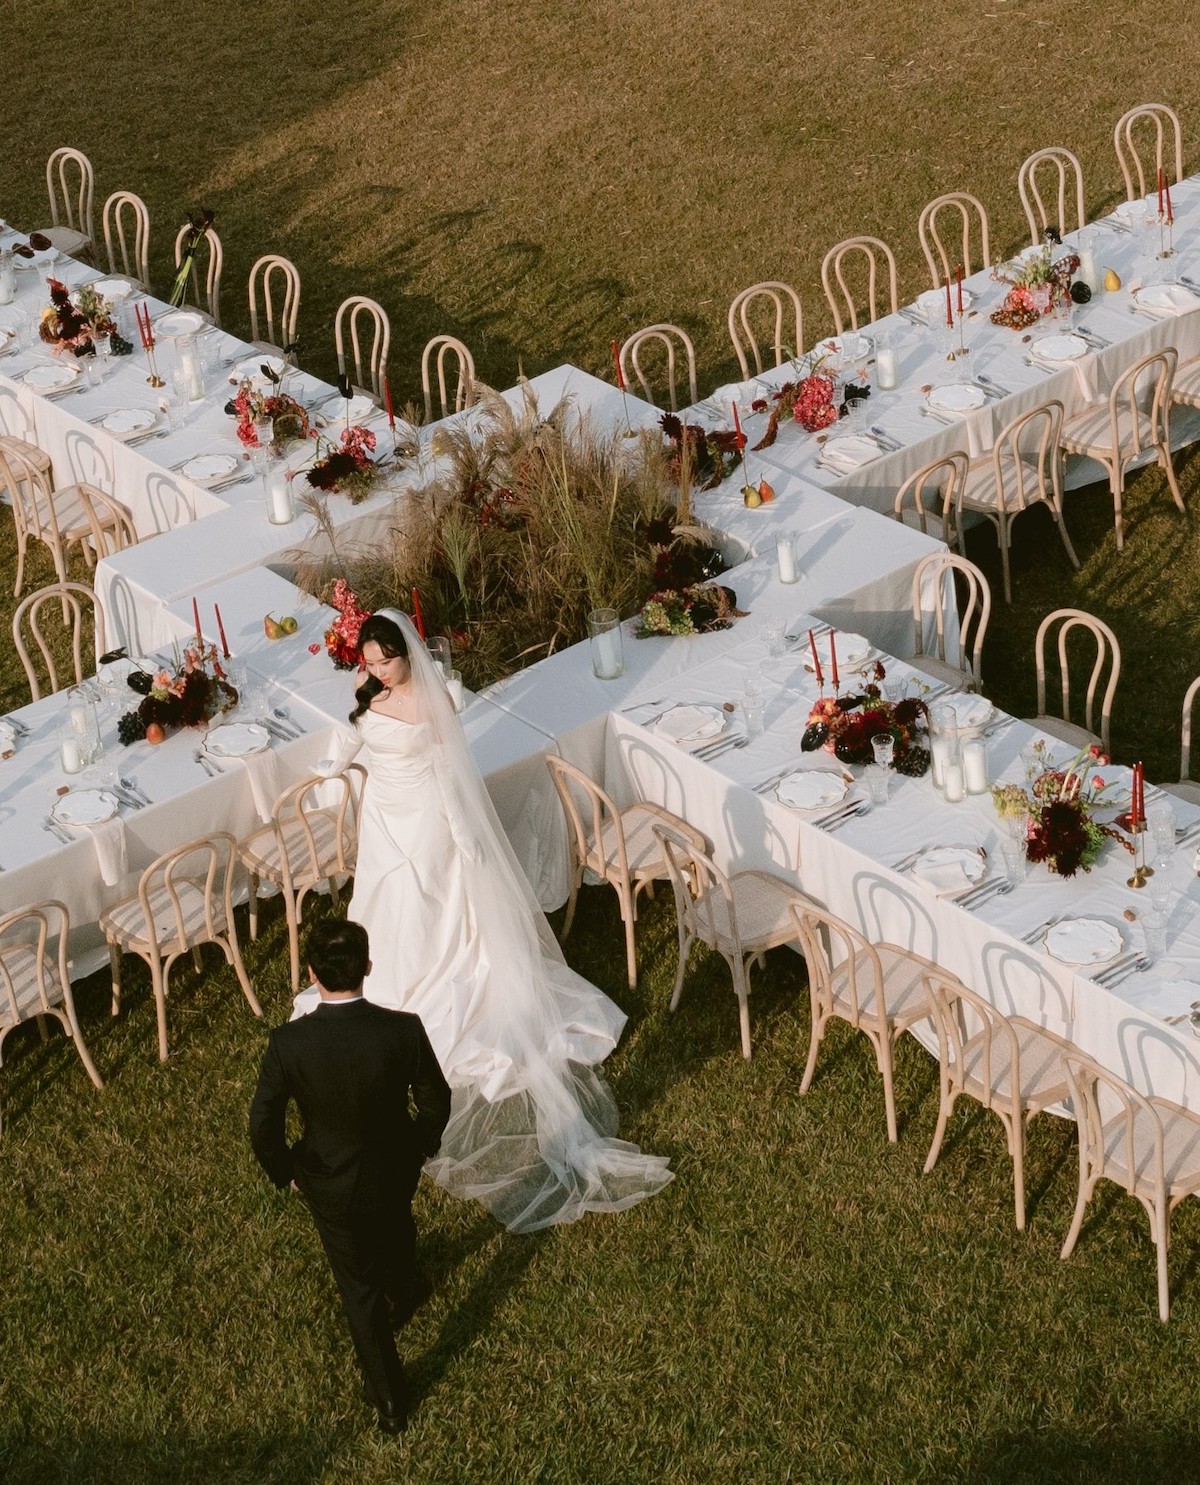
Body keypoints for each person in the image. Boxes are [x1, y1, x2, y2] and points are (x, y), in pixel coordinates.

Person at [291, 607, 673, 1233]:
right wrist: (334, 770)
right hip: (384, 823)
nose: (378, 673)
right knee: (386, 908)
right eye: (369, 665)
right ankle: (384, 984)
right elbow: (358, 737)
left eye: (386, 662)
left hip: (426, 826)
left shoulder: (431, 702)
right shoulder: (373, 693)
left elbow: (450, 777)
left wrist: (467, 840)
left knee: (432, 912)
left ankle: (430, 988)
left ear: (407, 655)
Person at [250, 918, 451, 1436]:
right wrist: (420, 1145)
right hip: (396, 1168)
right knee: (394, 1222)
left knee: (358, 1291)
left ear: (312, 973)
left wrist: (288, 1172)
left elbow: (262, 1126)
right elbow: (436, 1098)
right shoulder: (403, 1029)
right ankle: (405, 1286)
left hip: (330, 1184)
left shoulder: (288, 1044)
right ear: (367, 967)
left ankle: (390, 1402)